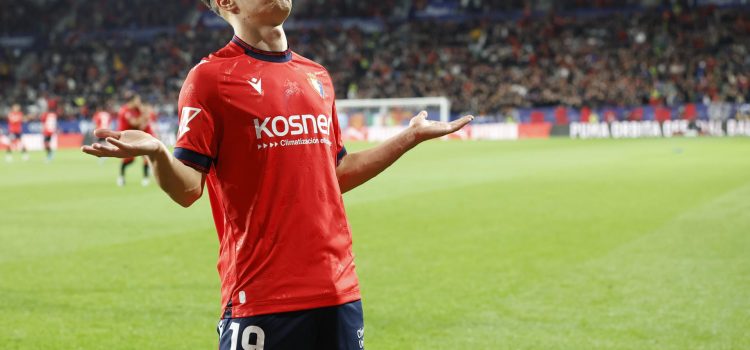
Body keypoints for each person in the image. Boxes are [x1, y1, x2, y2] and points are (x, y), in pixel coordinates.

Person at [81, 0, 473, 349]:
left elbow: (335, 174)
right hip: (262, 295)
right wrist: (159, 154)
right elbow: (188, 190)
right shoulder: (209, 79)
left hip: (338, 290)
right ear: (226, 2)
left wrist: (409, 138)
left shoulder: (317, 76)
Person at [116, 94, 154, 186]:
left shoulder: (137, 110)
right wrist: (145, 115)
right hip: (126, 138)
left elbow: (142, 125)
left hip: (136, 136)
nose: (139, 102)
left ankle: (145, 178)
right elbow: (135, 122)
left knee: (146, 155)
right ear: (132, 101)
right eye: (137, 100)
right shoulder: (124, 111)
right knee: (129, 160)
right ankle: (121, 177)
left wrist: (145, 115)